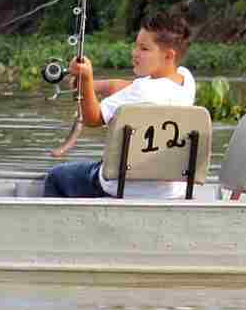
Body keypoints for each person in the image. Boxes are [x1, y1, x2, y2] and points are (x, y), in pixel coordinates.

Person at [41, 12, 197, 198]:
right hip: (169, 191)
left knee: (56, 176)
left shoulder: (141, 91)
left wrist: (87, 79)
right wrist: (96, 86)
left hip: (121, 187)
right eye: (136, 46)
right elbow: (133, 88)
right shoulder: (186, 79)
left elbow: (93, 118)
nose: (135, 53)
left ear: (168, 56)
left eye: (144, 49)